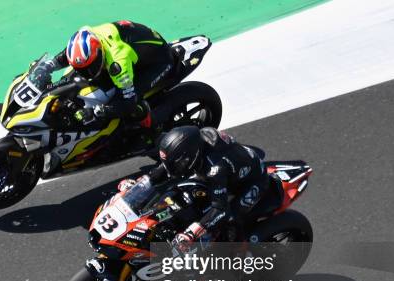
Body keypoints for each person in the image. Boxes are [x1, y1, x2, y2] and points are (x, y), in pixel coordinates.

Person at [119, 126, 270, 250]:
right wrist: (140, 186)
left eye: (178, 163)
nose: (174, 168)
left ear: (191, 156)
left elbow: (220, 208)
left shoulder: (215, 169)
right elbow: (164, 169)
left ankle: (242, 256)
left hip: (253, 181)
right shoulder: (191, 144)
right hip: (227, 171)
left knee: (231, 219)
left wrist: (191, 233)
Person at [35, 21, 176, 128]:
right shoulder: (89, 37)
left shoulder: (118, 64)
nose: (84, 73)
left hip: (159, 61)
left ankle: (152, 127)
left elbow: (127, 103)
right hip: (133, 49)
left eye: (88, 68)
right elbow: (69, 54)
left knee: (134, 105)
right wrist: (50, 65)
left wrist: (96, 112)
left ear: (99, 56)